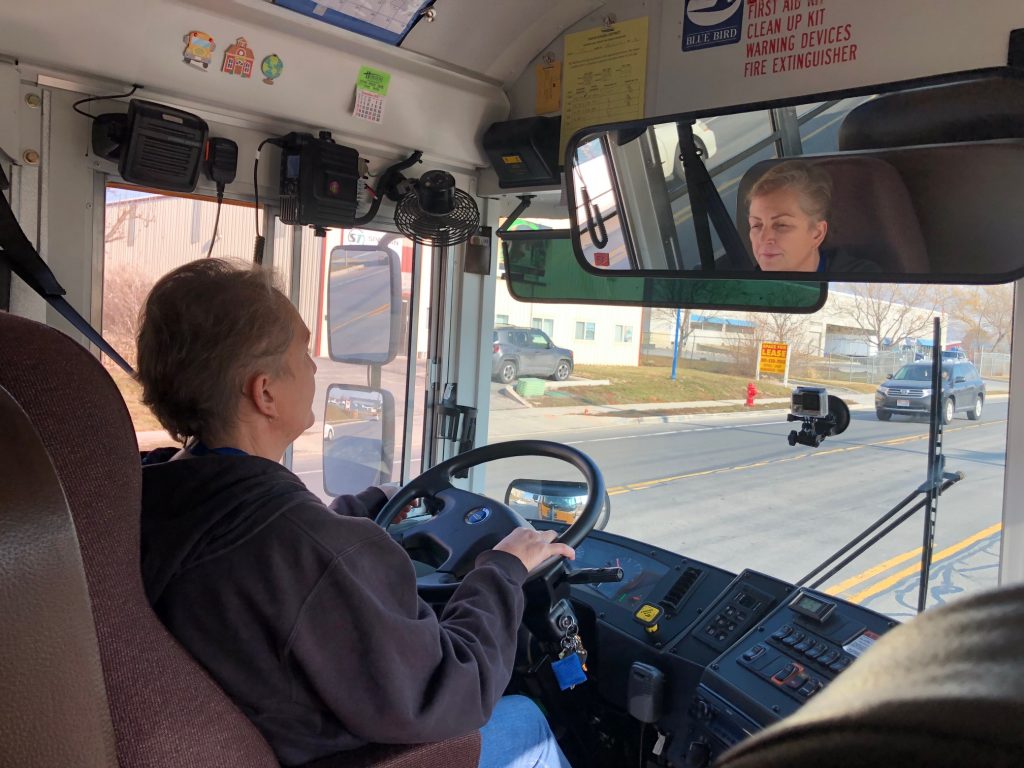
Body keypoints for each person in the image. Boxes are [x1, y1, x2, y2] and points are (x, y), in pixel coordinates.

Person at [136, 259, 574, 768]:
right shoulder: (305, 551)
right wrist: (503, 571)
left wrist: (356, 511)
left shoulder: (155, 494)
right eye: (303, 351)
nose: (316, 366)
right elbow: (453, 689)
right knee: (525, 717)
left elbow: (278, 547)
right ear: (265, 393)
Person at [746, 160, 880, 273]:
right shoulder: (740, 291)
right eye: (756, 225)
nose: (763, 238)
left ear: (817, 234)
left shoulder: (861, 285)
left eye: (781, 225)